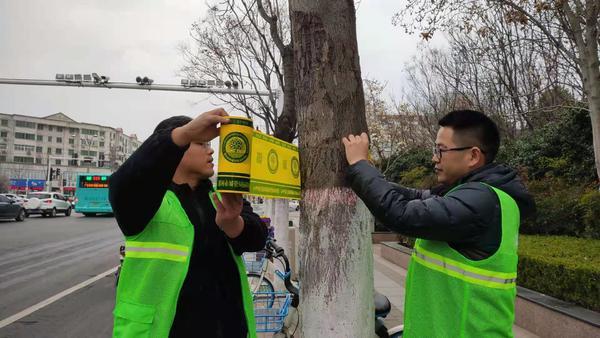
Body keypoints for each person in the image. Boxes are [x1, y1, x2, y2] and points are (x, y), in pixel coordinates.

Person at [342, 110, 535, 337]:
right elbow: (412, 197)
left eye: (441, 150)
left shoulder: (481, 201)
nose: (435, 158)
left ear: (473, 156)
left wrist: (359, 165)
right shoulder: (472, 194)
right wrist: (366, 175)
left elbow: (402, 214)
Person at [109, 109, 267, 338]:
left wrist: (233, 223)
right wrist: (183, 134)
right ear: (177, 151)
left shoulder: (221, 197)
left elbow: (257, 237)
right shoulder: (148, 201)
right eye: (201, 143)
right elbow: (124, 185)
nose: (211, 150)